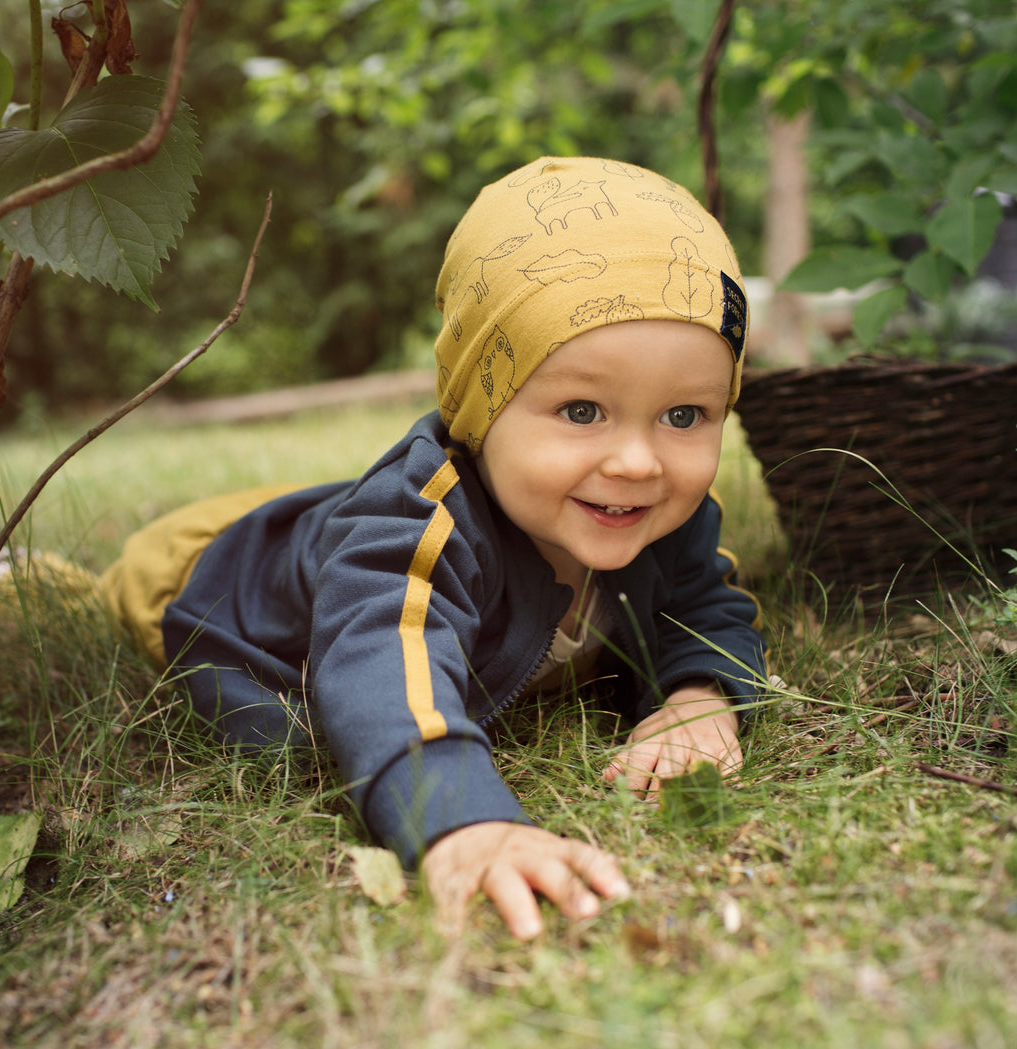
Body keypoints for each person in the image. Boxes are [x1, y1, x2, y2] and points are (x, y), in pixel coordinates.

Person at [100, 155, 767, 940]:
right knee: (283, 732)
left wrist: (698, 700)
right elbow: (382, 648)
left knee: (339, 526)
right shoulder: (421, 523)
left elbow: (705, 607)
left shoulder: (660, 511)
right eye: (583, 409)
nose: (637, 460)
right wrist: (459, 818)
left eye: (684, 416)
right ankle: (19, 576)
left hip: (326, 528)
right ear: (478, 407)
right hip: (206, 579)